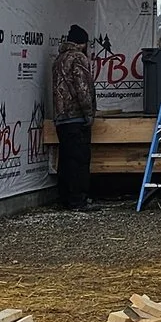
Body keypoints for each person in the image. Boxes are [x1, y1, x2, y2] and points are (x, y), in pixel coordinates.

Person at [49, 25, 98, 211]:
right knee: (79, 160)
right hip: (76, 117)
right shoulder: (78, 58)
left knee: (66, 160)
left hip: (61, 118)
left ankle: (66, 199)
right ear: (82, 43)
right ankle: (79, 200)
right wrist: (89, 113)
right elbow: (83, 88)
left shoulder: (59, 59)